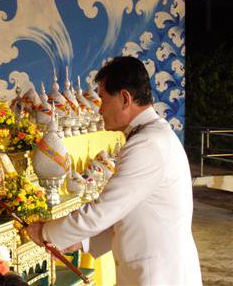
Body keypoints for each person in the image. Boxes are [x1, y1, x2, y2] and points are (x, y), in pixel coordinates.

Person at [27, 56, 202, 285]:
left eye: (102, 99)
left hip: (158, 276)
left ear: (125, 98)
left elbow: (103, 211)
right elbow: (125, 212)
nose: (99, 109)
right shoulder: (150, 136)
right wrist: (83, 242)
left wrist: (45, 233)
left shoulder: (148, 144)